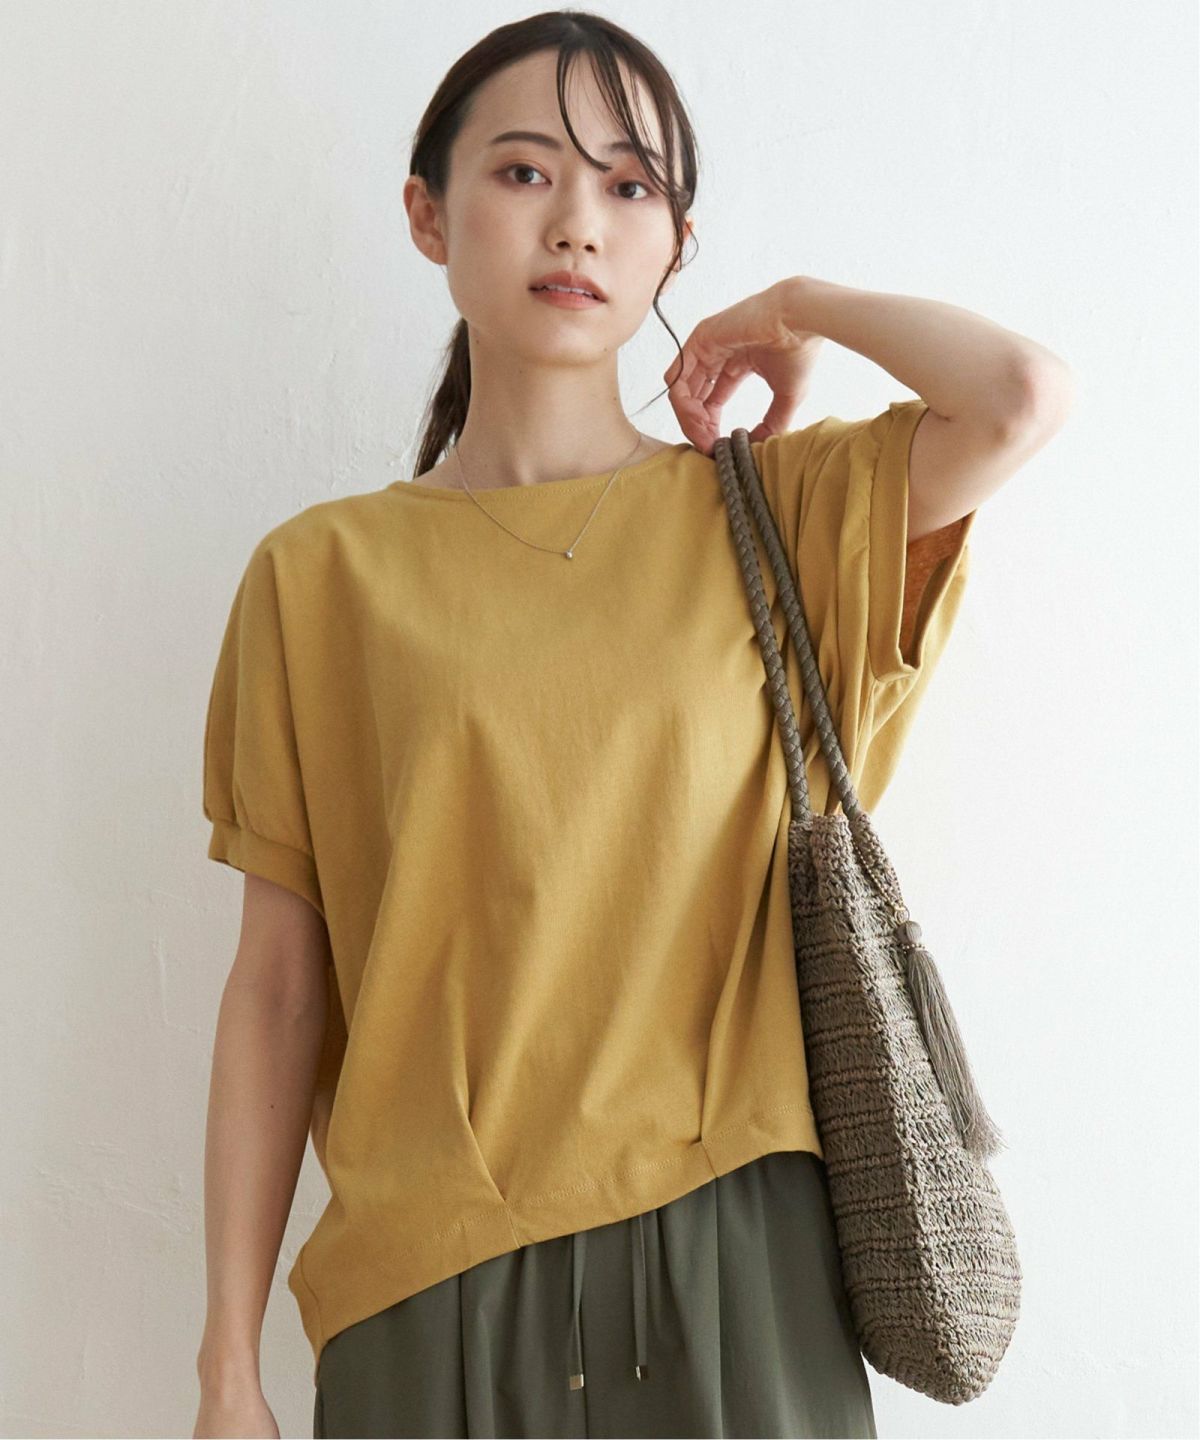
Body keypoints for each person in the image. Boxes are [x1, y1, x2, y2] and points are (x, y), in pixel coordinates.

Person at [192, 8, 1072, 1438]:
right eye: (525, 172)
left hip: (744, 1263)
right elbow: (280, 992)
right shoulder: (319, 578)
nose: (578, 225)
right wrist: (226, 1364)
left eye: (630, 186)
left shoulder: (775, 518)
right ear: (428, 215)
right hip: (425, 1287)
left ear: (674, 246)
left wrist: (797, 305)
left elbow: (1020, 398)